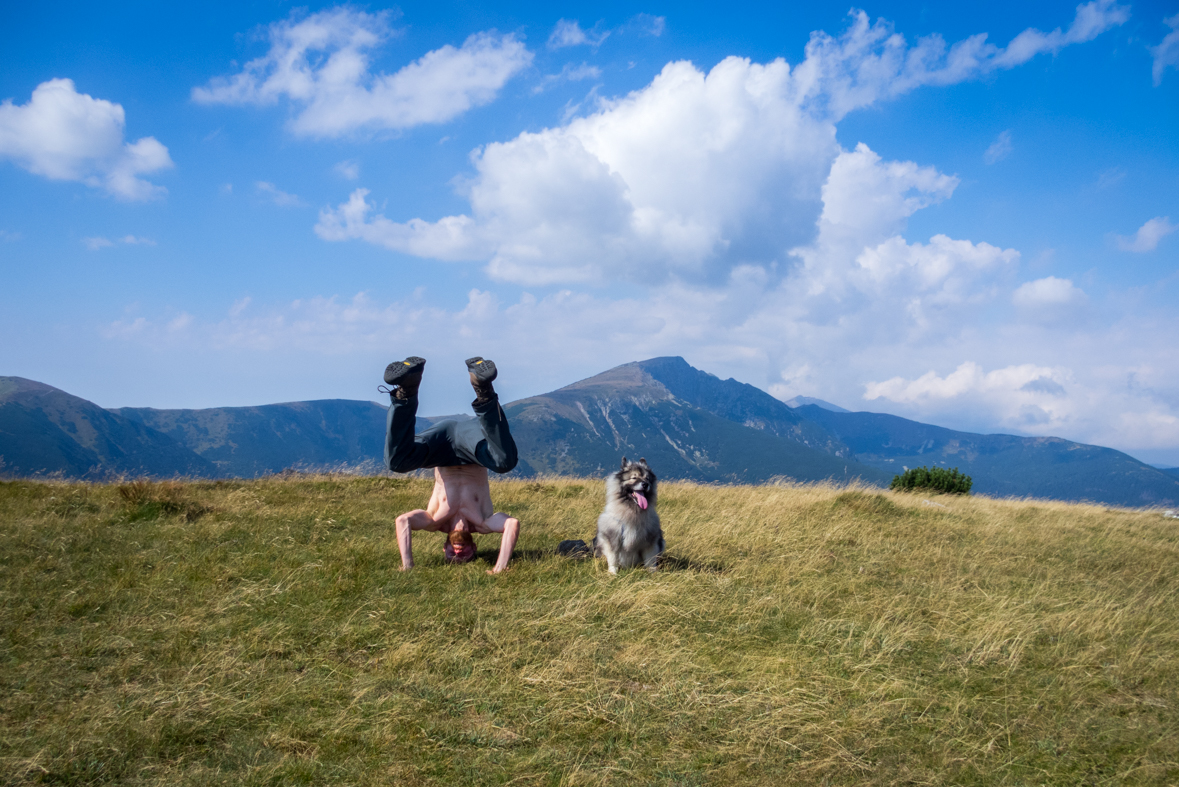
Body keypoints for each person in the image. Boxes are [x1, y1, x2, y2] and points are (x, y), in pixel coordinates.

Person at [383, 356, 520, 574]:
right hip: (471, 448)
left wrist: (407, 565)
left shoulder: (433, 520)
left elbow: (403, 521)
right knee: (504, 462)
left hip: (441, 448)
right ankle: (483, 389)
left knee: (396, 462)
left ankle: (406, 390)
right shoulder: (483, 522)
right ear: (474, 547)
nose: (457, 553)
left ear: (445, 546)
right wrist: (499, 569)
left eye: (451, 555)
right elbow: (512, 524)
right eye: (465, 556)